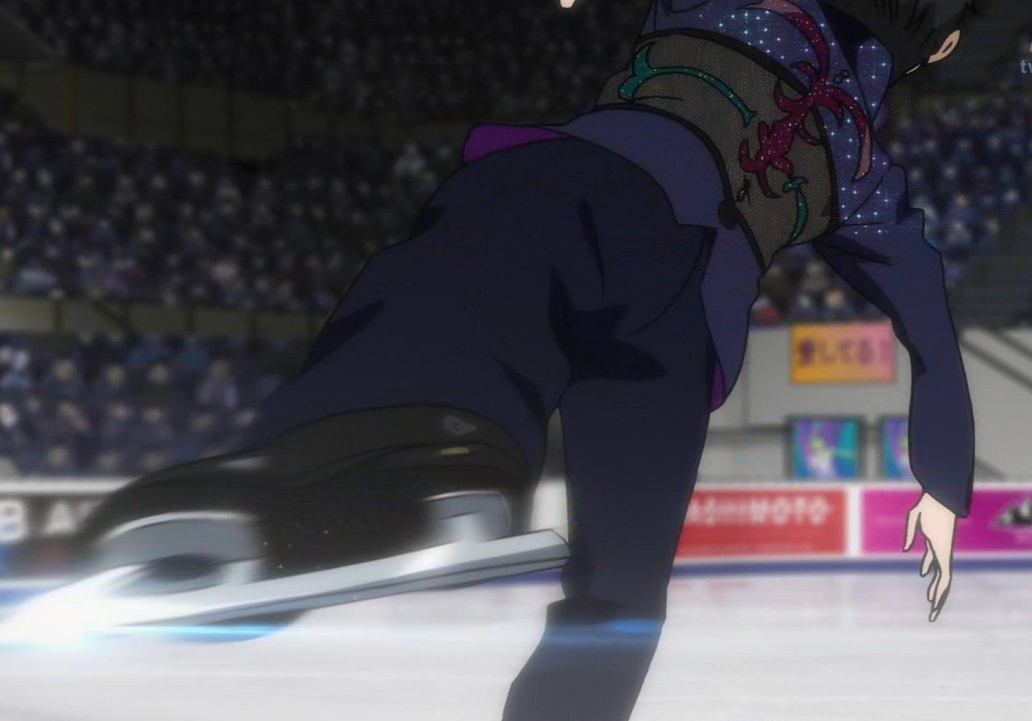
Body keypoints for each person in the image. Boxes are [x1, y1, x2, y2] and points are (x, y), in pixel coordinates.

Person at [79, 2, 978, 720]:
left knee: (453, 277)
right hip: (682, 331)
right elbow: (931, 335)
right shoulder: (868, 181)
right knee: (620, 589)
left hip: (593, 189)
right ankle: (421, 478)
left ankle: (394, 452)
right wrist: (943, 489)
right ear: (935, 45)